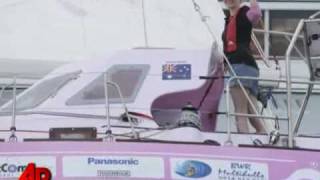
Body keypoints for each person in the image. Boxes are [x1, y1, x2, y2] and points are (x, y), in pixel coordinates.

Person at [222, 0, 266, 133]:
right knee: (252, 113)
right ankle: (266, 139)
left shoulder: (244, 13)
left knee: (240, 112)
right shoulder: (230, 19)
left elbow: (256, 14)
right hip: (249, 67)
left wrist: (253, 2)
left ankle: (243, 145)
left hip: (240, 66)